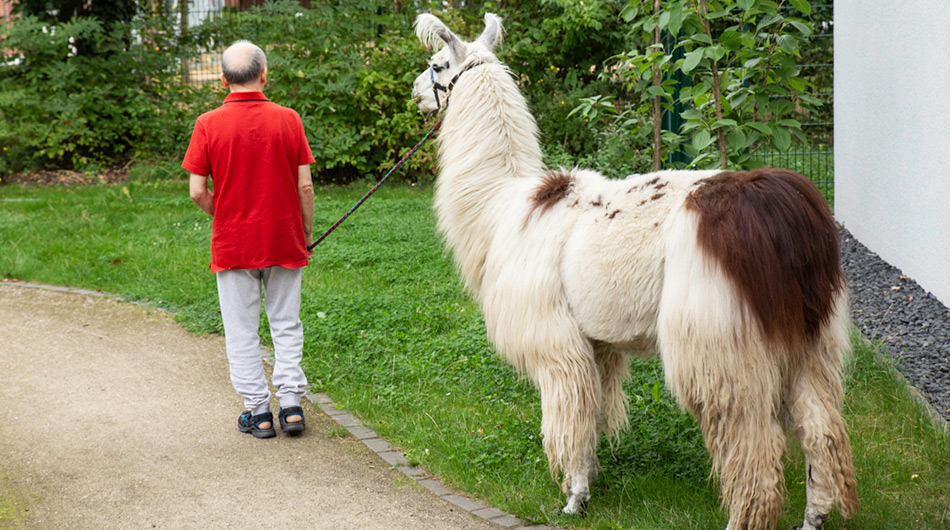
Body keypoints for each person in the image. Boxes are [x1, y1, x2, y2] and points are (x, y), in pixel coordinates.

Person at [183, 40, 315, 439]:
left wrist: (223, 215)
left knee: (241, 330)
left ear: (223, 79)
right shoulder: (288, 119)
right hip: (283, 240)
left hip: (233, 244)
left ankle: (258, 413)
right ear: (264, 74)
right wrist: (304, 234)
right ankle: (291, 406)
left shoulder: (208, 124)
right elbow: (304, 188)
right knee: (285, 323)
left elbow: (196, 190)